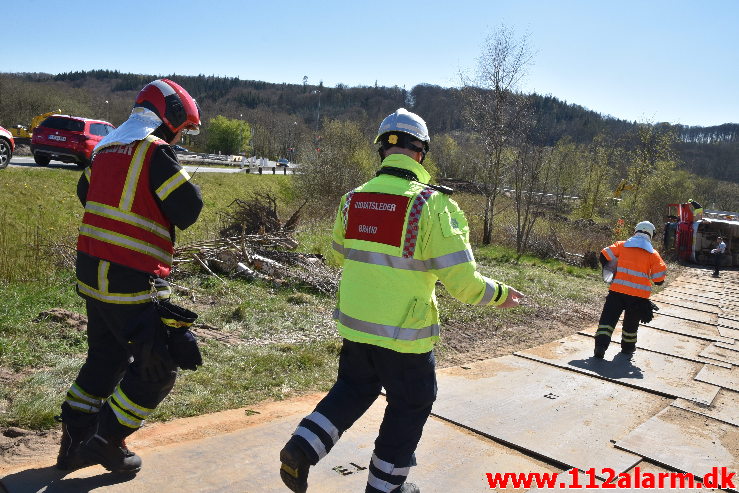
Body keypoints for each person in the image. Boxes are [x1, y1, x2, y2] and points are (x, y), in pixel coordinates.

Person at [278, 108, 523, 493]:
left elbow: (338, 253)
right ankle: (386, 487)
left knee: (353, 390)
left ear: (382, 151)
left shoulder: (352, 200)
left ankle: (301, 447)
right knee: (411, 403)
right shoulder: (433, 206)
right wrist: (502, 294)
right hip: (406, 336)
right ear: (420, 152)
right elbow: (463, 285)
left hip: (357, 326)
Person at [56, 79, 204, 474]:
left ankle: (72, 446)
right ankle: (106, 441)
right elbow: (189, 210)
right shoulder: (156, 153)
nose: (180, 134)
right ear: (170, 117)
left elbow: (86, 196)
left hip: (92, 275)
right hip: (130, 279)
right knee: (158, 365)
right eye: (182, 127)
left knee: (105, 359)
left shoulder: (103, 149)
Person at [594, 221, 667, 359]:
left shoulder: (621, 245)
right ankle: (628, 348)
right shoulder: (653, 254)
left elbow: (604, 255)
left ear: (636, 231)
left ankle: (600, 347)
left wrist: (610, 269)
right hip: (638, 297)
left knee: (608, 320)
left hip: (617, 292)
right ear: (651, 235)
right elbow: (659, 280)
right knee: (631, 324)